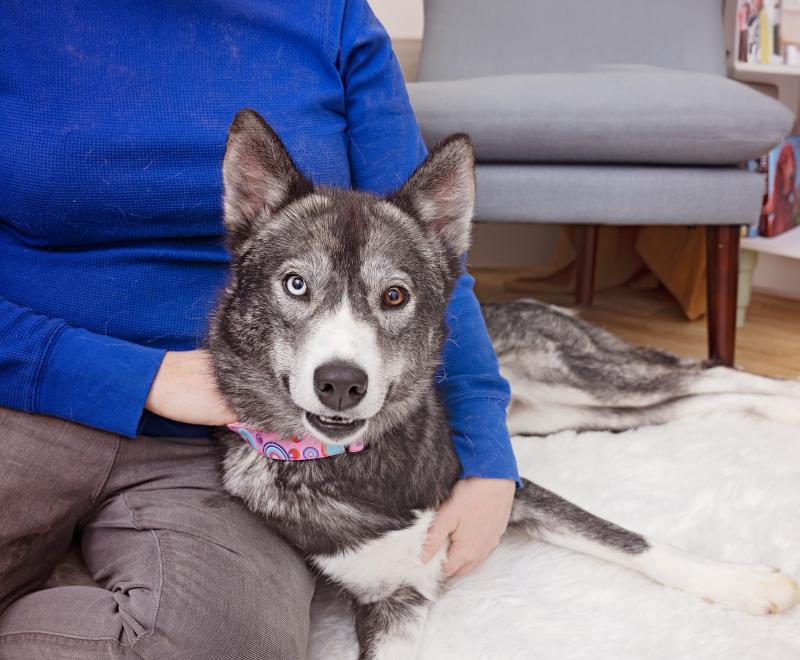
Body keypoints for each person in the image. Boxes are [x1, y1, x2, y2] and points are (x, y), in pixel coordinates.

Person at [0, 1, 519, 657]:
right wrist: (139, 377)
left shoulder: (329, 17)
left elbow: (427, 265)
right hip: (25, 399)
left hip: (237, 441)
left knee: (223, 640)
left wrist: (487, 458)